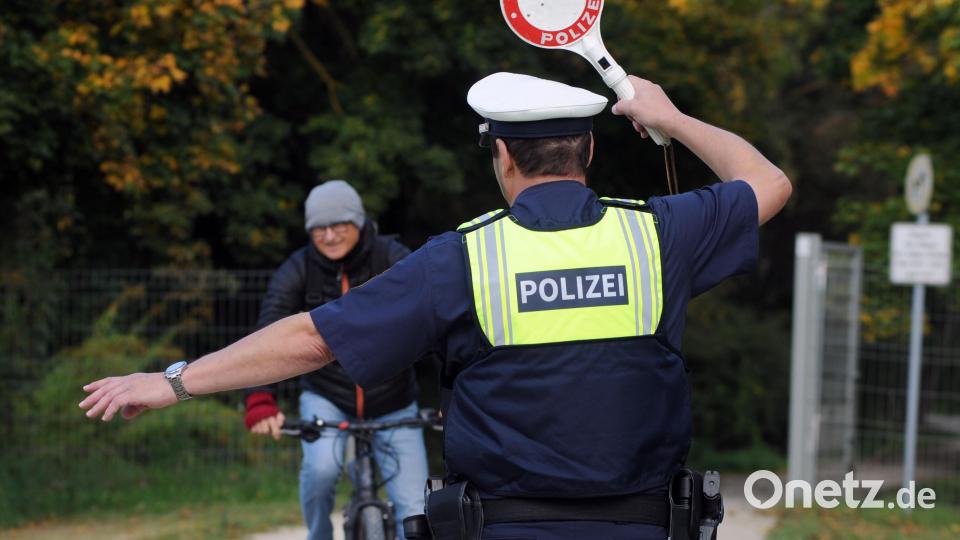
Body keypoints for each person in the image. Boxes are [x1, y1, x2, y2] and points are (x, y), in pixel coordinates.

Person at [80, 72, 792, 540]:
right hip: (647, 527)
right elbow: (767, 181)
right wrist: (670, 115)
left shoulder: (464, 258)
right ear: (590, 152)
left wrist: (172, 382)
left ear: (502, 159)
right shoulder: (659, 235)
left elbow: (309, 339)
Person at [243, 180, 428, 540]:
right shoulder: (298, 269)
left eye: (338, 225)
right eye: (318, 229)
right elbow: (268, 330)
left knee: (416, 508)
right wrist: (259, 397)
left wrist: (456, 389)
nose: (328, 236)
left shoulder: (392, 258)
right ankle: (318, 534)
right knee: (322, 470)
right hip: (327, 396)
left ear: (358, 222)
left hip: (394, 399)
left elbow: (433, 313)